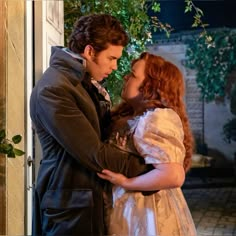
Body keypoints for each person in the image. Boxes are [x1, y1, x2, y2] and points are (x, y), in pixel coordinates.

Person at [30, 14, 153, 236]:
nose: (115, 67)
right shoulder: (56, 89)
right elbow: (94, 152)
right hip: (70, 207)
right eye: (111, 58)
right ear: (89, 51)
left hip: (84, 199)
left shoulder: (81, 83)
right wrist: (149, 169)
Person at [98, 52, 197, 236]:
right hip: (126, 206)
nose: (126, 76)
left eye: (133, 75)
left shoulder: (156, 118)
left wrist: (127, 182)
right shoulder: (132, 115)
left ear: (150, 86)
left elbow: (174, 175)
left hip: (146, 211)